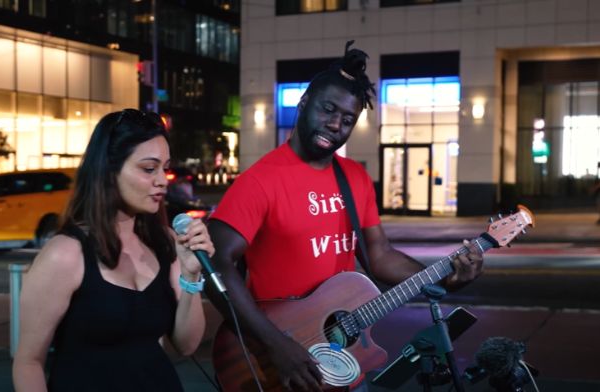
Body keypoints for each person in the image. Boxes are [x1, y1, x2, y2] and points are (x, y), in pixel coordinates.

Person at [206, 42, 485, 392]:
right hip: (279, 358)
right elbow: (217, 266)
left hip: (343, 358)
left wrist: (446, 278)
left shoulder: (355, 177)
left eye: (348, 119)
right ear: (304, 102)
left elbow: (379, 256)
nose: (336, 124)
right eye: (328, 109)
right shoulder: (260, 181)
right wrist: (275, 344)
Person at [12, 109, 213, 391]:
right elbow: (28, 362)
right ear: (109, 169)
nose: (162, 180)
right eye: (148, 168)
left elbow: (188, 344)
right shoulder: (65, 254)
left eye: (164, 167)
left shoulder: (166, 243)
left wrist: (191, 278)